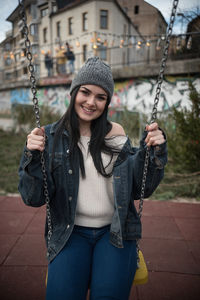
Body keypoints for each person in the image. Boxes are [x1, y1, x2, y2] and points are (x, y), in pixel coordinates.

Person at [18, 57, 167, 300]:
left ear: (107, 101)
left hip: (115, 232)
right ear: (73, 92)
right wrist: (32, 156)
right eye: (85, 92)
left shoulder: (116, 136)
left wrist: (154, 151)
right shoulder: (49, 137)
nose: (91, 102)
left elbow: (141, 189)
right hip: (70, 231)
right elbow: (32, 198)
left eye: (100, 96)